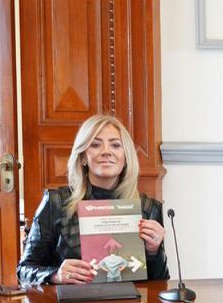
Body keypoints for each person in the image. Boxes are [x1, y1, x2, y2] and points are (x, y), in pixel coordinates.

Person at [18, 114, 168, 286]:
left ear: (126, 157)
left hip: (129, 301)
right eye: (95, 145)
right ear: (83, 157)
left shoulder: (149, 208)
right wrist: (55, 275)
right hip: (73, 302)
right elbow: (24, 271)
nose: (106, 151)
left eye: (115, 145)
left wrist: (154, 251)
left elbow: (160, 284)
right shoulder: (55, 202)